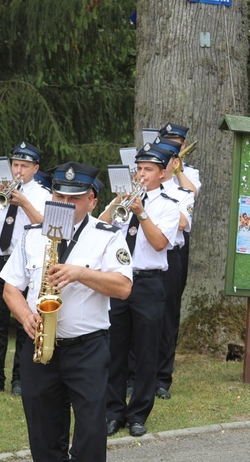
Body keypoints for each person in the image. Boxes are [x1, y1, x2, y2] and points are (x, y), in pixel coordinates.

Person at [1, 162, 132, 460]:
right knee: (43, 436)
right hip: (40, 346)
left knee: (90, 436)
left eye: (74, 199)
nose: (65, 204)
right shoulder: (32, 234)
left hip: (87, 349)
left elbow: (123, 287)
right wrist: (24, 316)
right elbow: (10, 288)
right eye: (59, 196)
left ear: (92, 200)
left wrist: (80, 273)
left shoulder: (107, 236)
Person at [100, 143, 180, 437]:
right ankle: (113, 411)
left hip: (148, 282)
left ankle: (138, 414)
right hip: (118, 279)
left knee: (146, 352)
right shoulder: (122, 201)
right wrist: (115, 205)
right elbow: (99, 228)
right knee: (114, 349)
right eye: (139, 169)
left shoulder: (169, 206)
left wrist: (142, 213)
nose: (141, 175)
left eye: (148, 170)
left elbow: (160, 244)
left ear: (161, 173)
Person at [0, 142, 49, 397]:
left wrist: (25, 203)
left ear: (35, 168)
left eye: (24, 166)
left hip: (27, 264)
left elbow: (49, 227)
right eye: (15, 165)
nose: (18, 170)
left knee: (23, 321)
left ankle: (20, 378)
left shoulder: (42, 194)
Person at [149, 140, 194, 400]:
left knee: (167, 318)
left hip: (170, 256)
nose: (159, 170)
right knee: (136, 318)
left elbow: (183, 222)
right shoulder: (139, 192)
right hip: (142, 258)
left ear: (173, 165)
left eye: (161, 164)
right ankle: (133, 376)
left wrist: (159, 203)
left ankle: (162, 379)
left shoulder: (182, 194)